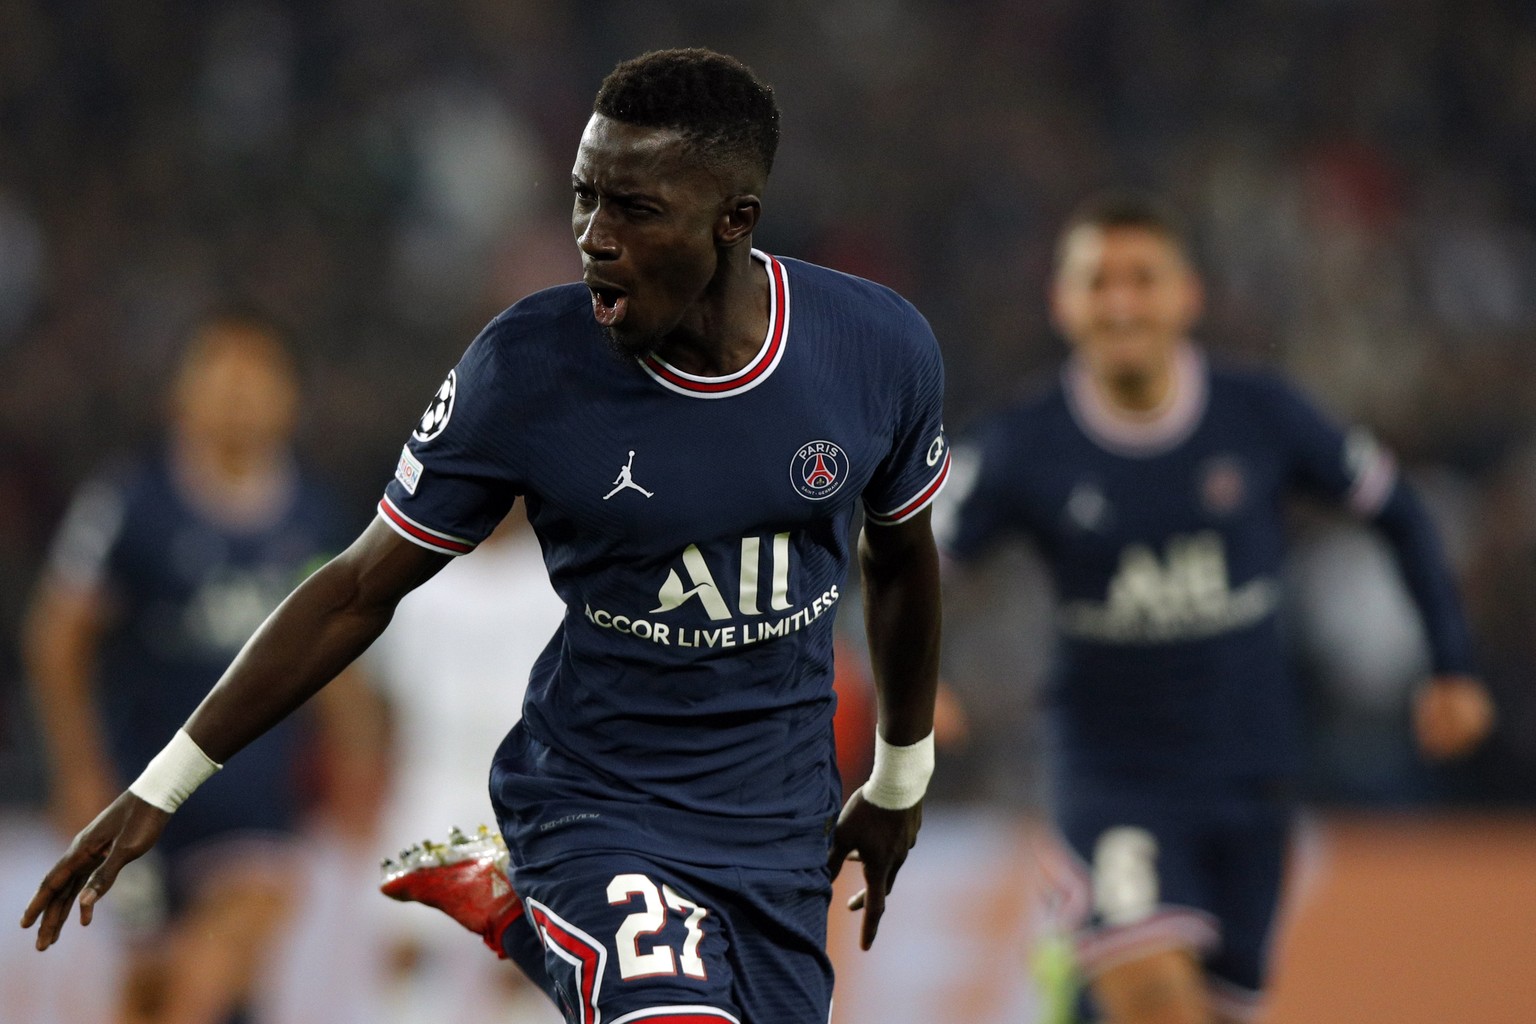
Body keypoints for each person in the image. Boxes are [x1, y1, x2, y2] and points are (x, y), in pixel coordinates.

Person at [24, 48, 948, 1024]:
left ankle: (510, 912)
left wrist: (900, 775)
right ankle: (540, 895)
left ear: (734, 220)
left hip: (776, 819)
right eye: (585, 198)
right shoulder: (529, 368)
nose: (593, 237)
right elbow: (354, 589)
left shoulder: (875, 351)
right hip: (600, 803)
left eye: (633, 209)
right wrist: (162, 782)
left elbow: (899, 558)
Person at [938, 193, 1495, 1024]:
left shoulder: (1261, 413)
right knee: (1161, 1001)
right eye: (1098, 281)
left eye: (1143, 278)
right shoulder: (1027, 444)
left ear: (1186, 295)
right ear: (1063, 302)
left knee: (1205, 1006)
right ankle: (1097, 963)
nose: (1122, 301)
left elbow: (1398, 510)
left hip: (1251, 772)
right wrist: (915, 677)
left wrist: (1452, 666)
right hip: (1110, 775)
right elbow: (914, 561)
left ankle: (1078, 981)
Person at [21, 312, 386, 1024]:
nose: (238, 393)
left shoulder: (314, 518)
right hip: (137, 795)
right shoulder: (130, 504)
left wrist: (359, 762)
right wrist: (75, 766)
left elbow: (339, 653)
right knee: (151, 990)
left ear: (289, 398)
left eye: (257, 375)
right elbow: (56, 635)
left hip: (255, 803)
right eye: (219, 372)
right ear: (181, 392)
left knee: (206, 968)